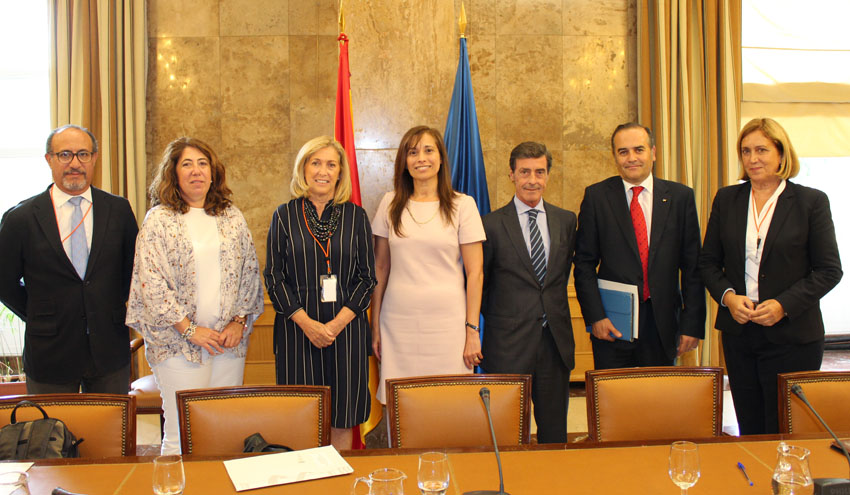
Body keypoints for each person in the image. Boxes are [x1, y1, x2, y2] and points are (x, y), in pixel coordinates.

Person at [699, 118, 842, 435]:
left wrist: (783, 305)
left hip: (793, 336)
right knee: (750, 427)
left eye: (761, 150)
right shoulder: (727, 199)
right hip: (740, 333)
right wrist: (728, 297)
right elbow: (708, 263)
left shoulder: (810, 202)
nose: (752, 159)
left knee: (787, 429)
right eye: (746, 151)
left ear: (781, 153)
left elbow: (829, 270)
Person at [126, 137, 264, 455]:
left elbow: (249, 272)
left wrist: (239, 321)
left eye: (203, 164)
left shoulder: (231, 217)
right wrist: (189, 330)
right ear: (173, 173)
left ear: (213, 173)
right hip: (178, 345)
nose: (196, 171)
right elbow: (151, 283)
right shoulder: (159, 220)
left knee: (224, 432)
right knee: (182, 434)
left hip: (227, 343)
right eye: (186, 164)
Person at [0, 125, 138, 394]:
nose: (75, 163)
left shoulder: (118, 210)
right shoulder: (21, 218)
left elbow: (132, 272)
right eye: (65, 154)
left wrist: (103, 305)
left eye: (83, 154)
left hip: (109, 350)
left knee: (111, 423)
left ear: (94, 158)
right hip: (49, 352)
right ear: (49, 159)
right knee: (51, 422)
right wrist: (40, 313)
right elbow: (4, 282)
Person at [264, 136, 376, 451]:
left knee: (343, 415)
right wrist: (308, 324)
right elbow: (274, 277)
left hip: (346, 333)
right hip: (297, 333)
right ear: (304, 169)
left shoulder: (356, 217)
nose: (322, 171)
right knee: (302, 415)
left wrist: (335, 325)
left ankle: (340, 476)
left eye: (331, 164)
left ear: (340, 172)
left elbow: (367, 278)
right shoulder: (284, 216)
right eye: (315, 163)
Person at [574, 123, 705, 369]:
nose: (631, 158)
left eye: (639, 149)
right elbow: (583, 264)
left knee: (657, 392)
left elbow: (693, 268)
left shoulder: (680, 198)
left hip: (663, 325)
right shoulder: (597, 197)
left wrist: (692, 325)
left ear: (653, 153)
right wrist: (596, 317)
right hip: (612, 323)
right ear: (615, 157)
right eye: (623, 152)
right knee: (612, 393)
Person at [370, 126, 485, 404]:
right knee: (402, 404)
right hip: (398, 324)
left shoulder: (463, 205)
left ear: (441, 158)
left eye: (428, 150)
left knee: (448, 403)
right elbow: (380, 269)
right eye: (412, 152)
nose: (421, 158)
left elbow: (475, 273)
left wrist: (472, 330)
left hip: (448, 325)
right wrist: (375, 325)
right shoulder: (389, 203)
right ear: (404, 161)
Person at [481, 142, 576, 443]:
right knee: (507, 435)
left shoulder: (566, 220)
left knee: (554, 435)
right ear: (511, 174)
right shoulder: (490, 224)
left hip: (554, 344)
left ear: (548, 175)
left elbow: (560, 276)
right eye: (524, 172)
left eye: (539, 172)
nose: (532, 180)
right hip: (507, 346)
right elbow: (481, 285)